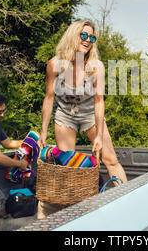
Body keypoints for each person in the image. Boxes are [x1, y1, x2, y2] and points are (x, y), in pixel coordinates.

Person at [38, 19, 127, 184]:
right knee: (67, 166)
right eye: (84, 35)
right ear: (73, 35)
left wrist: (99, 135)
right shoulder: (55, 64)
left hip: (90, 115)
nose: (87, 40)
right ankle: (73, 205)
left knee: (111, 160)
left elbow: (99, 101)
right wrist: (43, 131)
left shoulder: (96, 67)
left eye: (92, 38)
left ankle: (128, 201)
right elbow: (49, 97)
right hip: (65, 114)